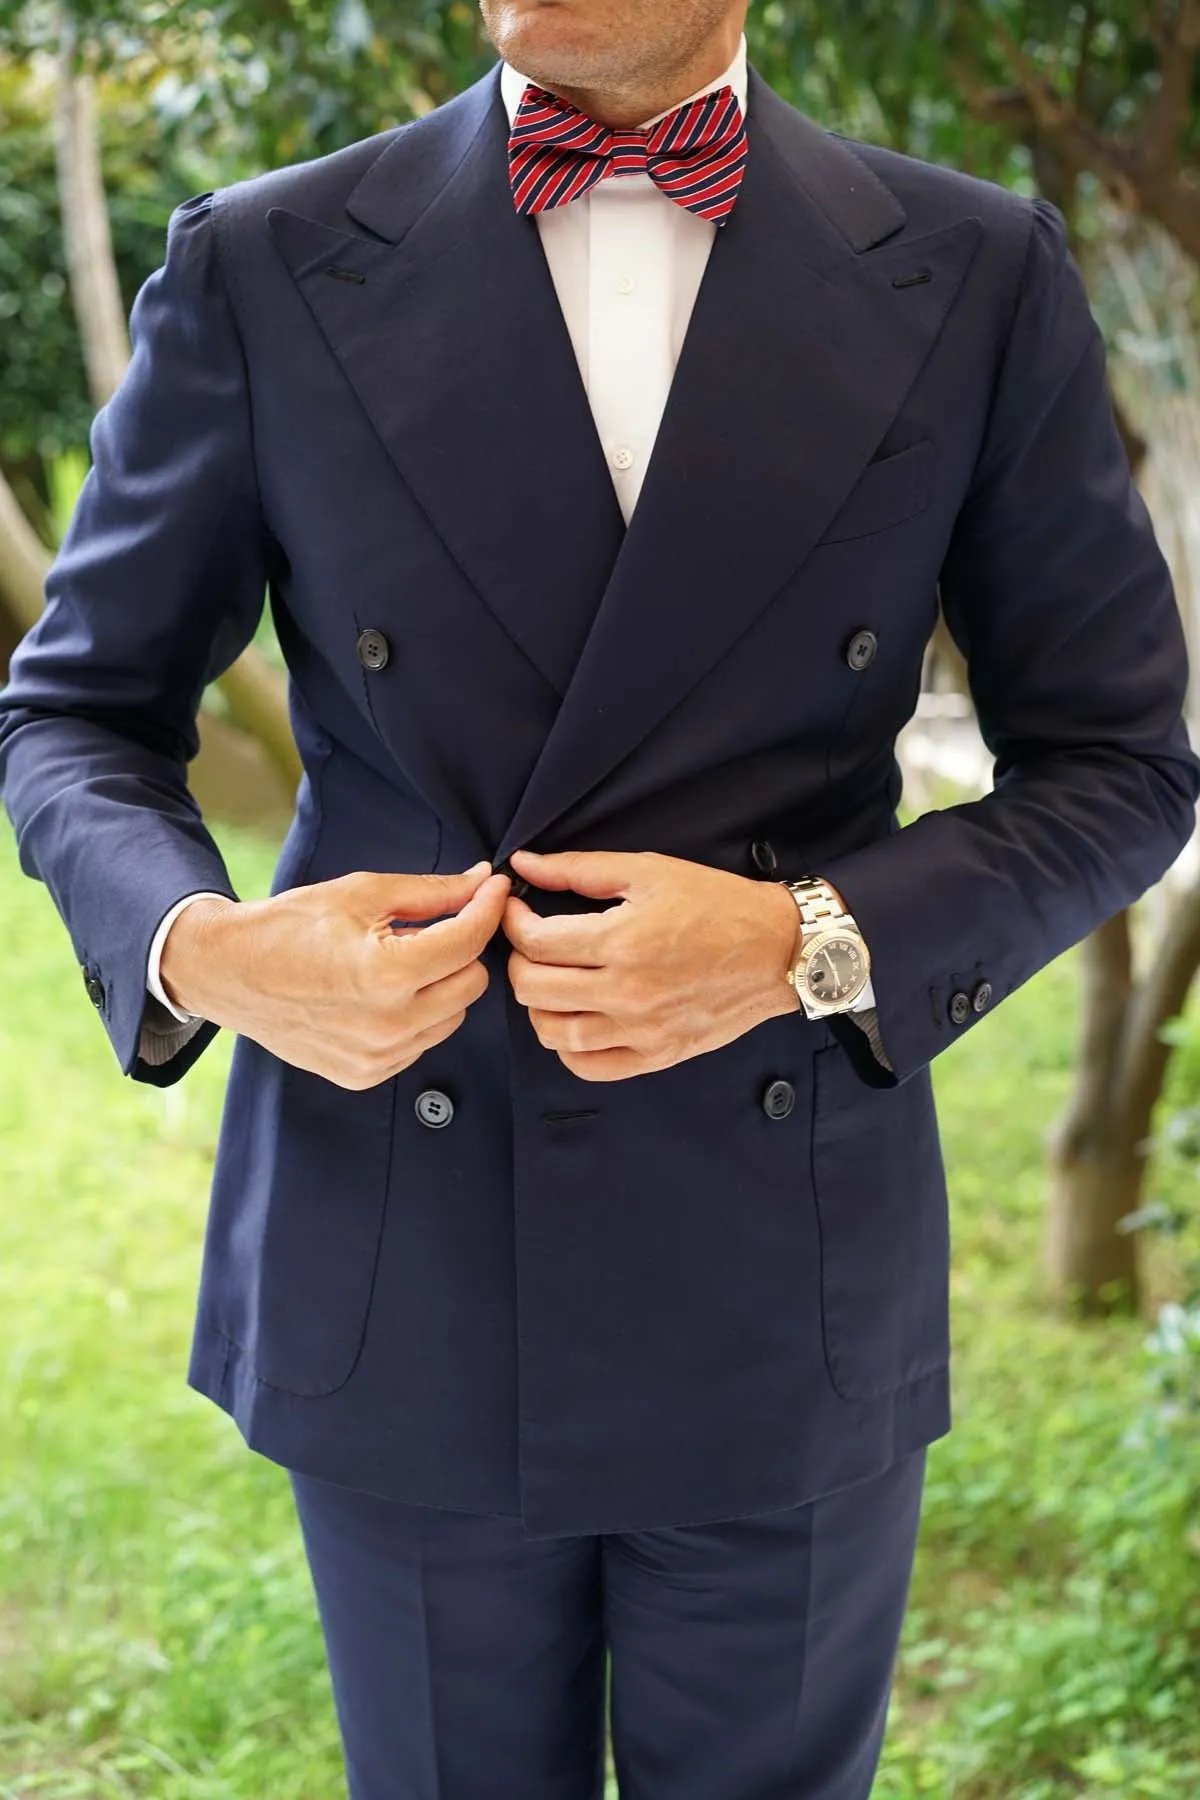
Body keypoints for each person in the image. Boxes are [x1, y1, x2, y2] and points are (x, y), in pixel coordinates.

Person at [2, 1, 1197, 1794]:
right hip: (404, 1240)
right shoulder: (265, 257)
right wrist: (210, 946)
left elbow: (1122, 763)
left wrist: (810, 942)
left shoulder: (968, 266)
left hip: (778, 1266)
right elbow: (76, 710)